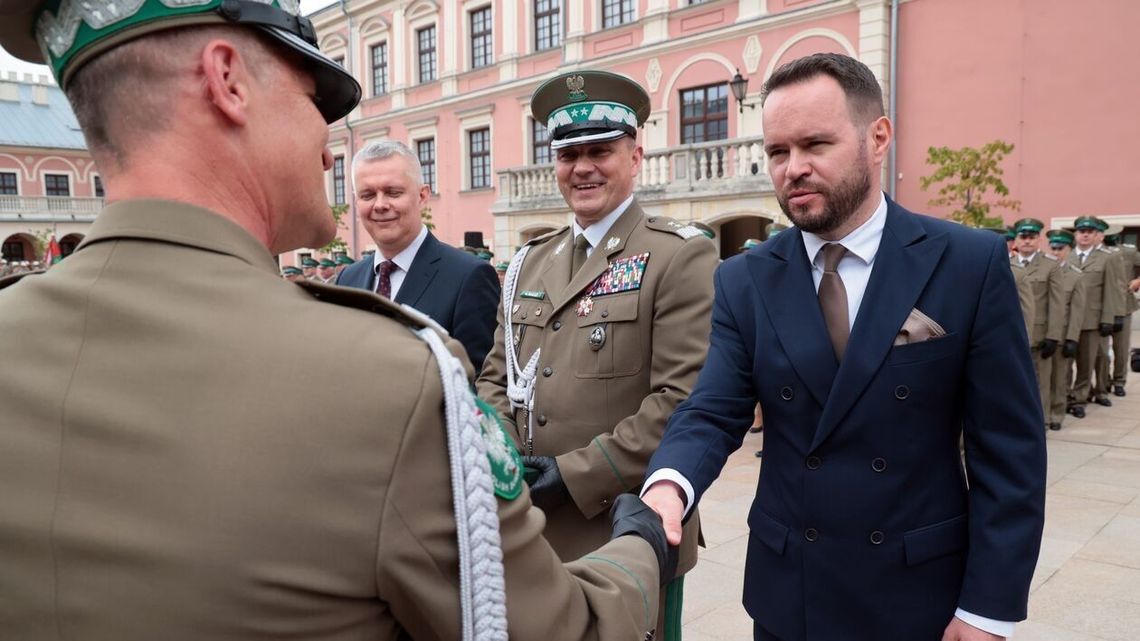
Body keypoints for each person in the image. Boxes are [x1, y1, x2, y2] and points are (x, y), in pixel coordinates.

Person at [0, 3, 674, 639]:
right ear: (227, 79)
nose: (329, 152)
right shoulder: (391, 379)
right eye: (313, 101)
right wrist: (641, 546)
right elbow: (555, 627)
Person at [641, 53, 1046, 641]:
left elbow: (1009, 450)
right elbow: (712, 409)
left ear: (877, 137)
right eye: (777, 152)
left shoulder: (966, 263)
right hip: (791, 595)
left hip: (918, 596)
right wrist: (670, 483)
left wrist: (988, 608)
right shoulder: (744, 278)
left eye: (815, 145)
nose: (792, 168)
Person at [476, 69, 719, 641]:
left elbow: (682, 401)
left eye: (600, 151)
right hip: (529, 528)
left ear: (635, 156)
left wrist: (573, 474)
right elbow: (495, 375)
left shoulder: (678, 257)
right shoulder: (529, 261)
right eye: (568, 154)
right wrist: (505, 458)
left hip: (623, 532)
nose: (582, 167)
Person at [336, 140, 499, 372]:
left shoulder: (468, 276)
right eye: (367, 195)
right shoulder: (347, 279)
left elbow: (482, 382)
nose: (380, 204)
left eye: (393, 192)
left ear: (422, 196)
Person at [1069, 216, 1125, 416]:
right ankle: (1067, 394)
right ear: (1075, 234)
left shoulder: (1106, 258)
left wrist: (1110, 318)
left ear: (1096, 236)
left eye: (1089, 232)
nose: (1085, 235)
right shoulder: (1067, 257)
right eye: (1081, 231)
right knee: (1066, 363)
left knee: (1087, 362)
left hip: (1091, 320)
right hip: (1068, 320)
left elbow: (1111, 289)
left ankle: (1079, 400)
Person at [1010, 217, 1064, 424]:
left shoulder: (1051, 265)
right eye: (1023, 237)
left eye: (1032, 237)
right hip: (1016, 333)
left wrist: (1053, 335)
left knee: (1041, 380)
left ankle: (1042, 420)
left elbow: (1057, 303)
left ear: (1039, 239)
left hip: (1040, 334)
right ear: (1016, 239)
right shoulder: (1007, 263)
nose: (1027, 241)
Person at [1045, 229, 1087, 430]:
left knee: (1059, 377)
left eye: (1060, 248)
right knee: (1041, 379)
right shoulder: (1041, 270)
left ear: (1069, 249)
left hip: (1062, 334)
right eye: (1052, 247)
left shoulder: (1076, 276)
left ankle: (1057, 413)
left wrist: (1072, 338)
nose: (1055, 251)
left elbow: (1077, 310)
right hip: (1042, 333)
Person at [1102, 225, 1138, 396]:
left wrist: (1138, 281)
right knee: (1100, 350)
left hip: (1123, 305)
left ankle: (1119, 381)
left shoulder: (1128, 252)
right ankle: (1104, 380)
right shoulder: (1098, 253)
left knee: (1121, 347)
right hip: (1101, 307)